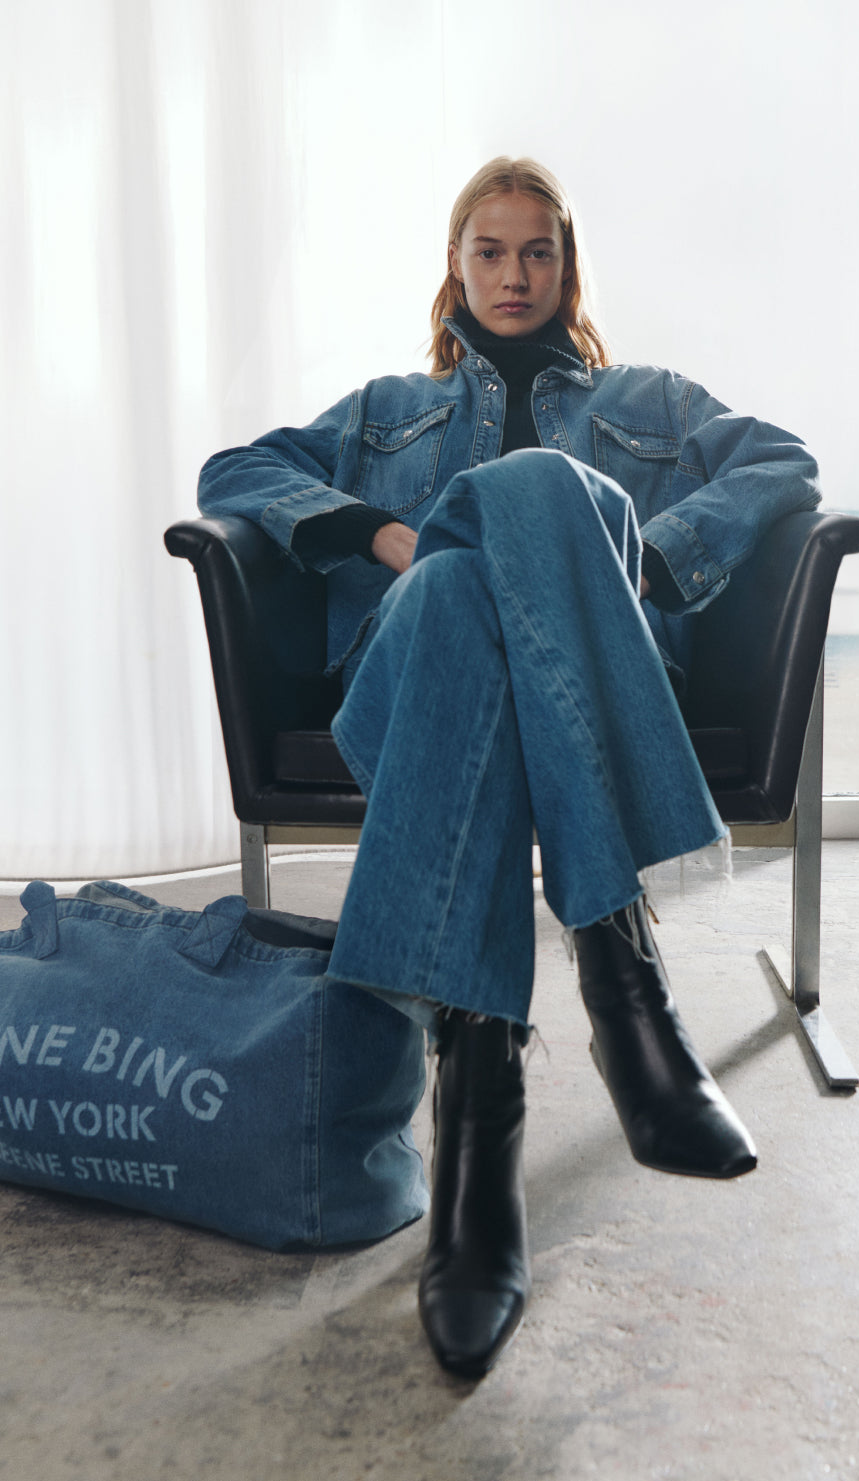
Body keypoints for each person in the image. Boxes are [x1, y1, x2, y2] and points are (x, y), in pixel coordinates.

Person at [198, 157, 821, 1379]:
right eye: (491, 251)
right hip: (399, 677)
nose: (515, 274)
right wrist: (386, 533)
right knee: (444, 574)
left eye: (537, 251)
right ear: (457, 267)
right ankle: (621, 974)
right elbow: (238, 473)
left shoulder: (648, 397)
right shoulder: (387, 410)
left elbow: (782, 461)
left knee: (505, 538)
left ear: (566, 266)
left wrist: (634, 557)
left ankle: (476, 1120)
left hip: (559, 677)